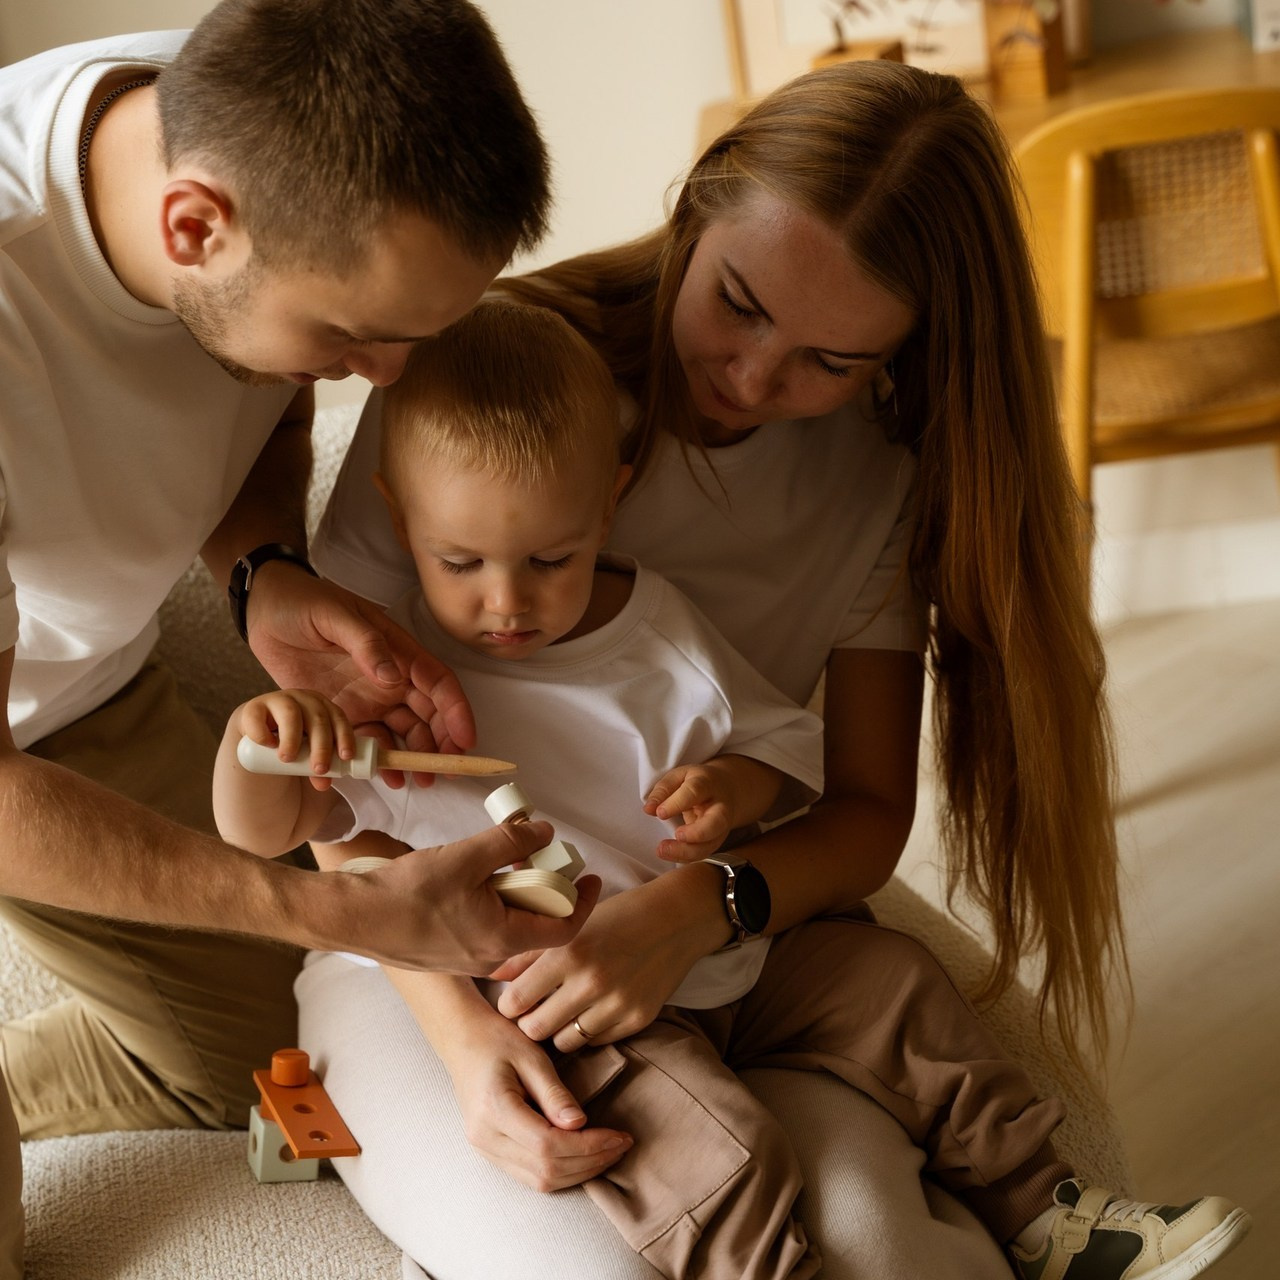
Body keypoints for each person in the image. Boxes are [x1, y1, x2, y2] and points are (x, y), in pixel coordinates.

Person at [308, 61, 1254, 1279]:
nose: (754, 379)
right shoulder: (486, 385)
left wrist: (704, 901)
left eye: (832, 361)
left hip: (718, 935)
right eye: (739, 303)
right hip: (436, 949)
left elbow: (858, 809)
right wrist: (456, 1029)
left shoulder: (879, 478)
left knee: (887, 1247)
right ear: (694, 212)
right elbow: (347, 782)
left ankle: (1061, 1223)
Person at [0, 3, 596, 1276]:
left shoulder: (244, 111)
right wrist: (335, 905)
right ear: (193, 228)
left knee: (287, 1052)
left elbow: (269, 407)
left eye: (411, 339)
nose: (380, 382)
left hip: (73, 681)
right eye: (347, 338)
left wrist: (263, 568)